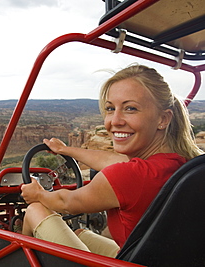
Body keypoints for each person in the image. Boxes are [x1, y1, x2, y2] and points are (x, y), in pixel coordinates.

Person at [19, 64, 203, 258]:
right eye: (110, 108)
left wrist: (38, 194)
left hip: (134, 261)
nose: (115, 121)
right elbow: (114, 161)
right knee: (81, 234)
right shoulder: (182, 165)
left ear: (163, 119)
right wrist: (66, 150)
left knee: (35, 210)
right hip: (148, 256)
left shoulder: (130, 176)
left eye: (130, 108)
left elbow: (66, 202)